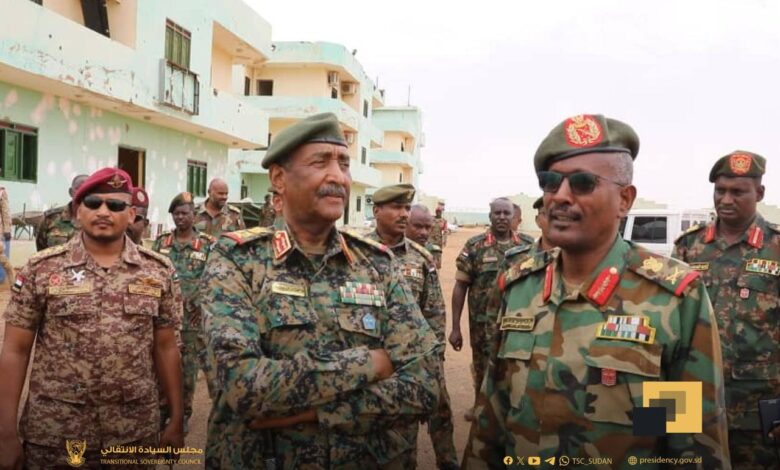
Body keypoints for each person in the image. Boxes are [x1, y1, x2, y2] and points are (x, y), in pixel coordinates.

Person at [463, 114, 729, 468]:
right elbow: (492, 420)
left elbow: (686, 443)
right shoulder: (519, 287)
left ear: (624, 199)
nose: (560, 196)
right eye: (550, 182)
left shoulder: (670, 300)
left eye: (583, 183)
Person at [200, 112, 441, 468]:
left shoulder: (378, 263)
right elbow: (241, 387)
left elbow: (426, 384)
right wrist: (372, 363)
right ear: (279, 178)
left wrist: (317, 414)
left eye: (344, 164)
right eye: (320, 162)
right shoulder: (237, 260)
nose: (338, 176)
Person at [0, 168, 184, 469]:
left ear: (132, 214)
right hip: (56, 434)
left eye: (116, 205)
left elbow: (166, 347)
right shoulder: (41, 269)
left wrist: (176, 419)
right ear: (77, 210)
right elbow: (15, 350)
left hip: (132, 433)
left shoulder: (158, 271)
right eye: (93, 202)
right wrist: (5, 432)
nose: (103, 212)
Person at [674, 150, 780, 469]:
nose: (726, 199)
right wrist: (653, 419)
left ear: (759, 193)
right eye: (720, 190)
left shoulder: (776, 247)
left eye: (738, 191)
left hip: (756, 406)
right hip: (687, 395)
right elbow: (669, 325)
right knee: (671, 459)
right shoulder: (688, 247)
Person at [370, 184, 457, 470]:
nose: (403, 214)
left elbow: (434, 310)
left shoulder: (421, 258)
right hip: (373, 357)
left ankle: (447, 461)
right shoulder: (356, 252)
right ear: (376, 211)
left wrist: (435, 355)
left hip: (414, 356)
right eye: (396, 207)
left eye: (406, 208)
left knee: (437, 408)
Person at [450, 197, 528, 421]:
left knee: (515, 367)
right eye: (497, 213)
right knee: (482, 366)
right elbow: (460, 286)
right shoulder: (475, 246)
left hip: (518, 322)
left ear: (513, 216)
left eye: (506, 213)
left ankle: (510, 413)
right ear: (490, 216)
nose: (502, 217)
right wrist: (455, 327)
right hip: (482, 324)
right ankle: (480, 406)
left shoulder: (528, 246)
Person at [153, 191, 215, 432]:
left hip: (191, 320)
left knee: (187, 370)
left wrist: (201, 303)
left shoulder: (207, 245)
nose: (180, 218)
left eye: (184, 213)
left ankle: (183, 415)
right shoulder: (161, 243)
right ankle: (161, 412)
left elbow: (214, 280)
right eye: (176, 214)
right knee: (161, 366)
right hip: (165, 319)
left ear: (194, 215)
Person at [35, 174, 88, 251]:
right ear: (71, 192)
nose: (83, 192)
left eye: (88, 189)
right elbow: (41, 249)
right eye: (79, 188)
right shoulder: (50, 218)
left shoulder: (97, 219)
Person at [428, 202, 448, 269]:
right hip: (430, 240)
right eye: (437, 211)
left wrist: (445, 240)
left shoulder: (443, 221)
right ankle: (429, 268)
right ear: (435, 212)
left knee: (438, 255)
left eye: (439, 211)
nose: (438, 212)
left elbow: (445, 231)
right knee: (429, 254)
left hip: (438, 241)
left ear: (441, 212)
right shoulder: (431, 219)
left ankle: (437, 269)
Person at [0, 185, 13, 283]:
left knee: (2, 258)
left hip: (0, 231)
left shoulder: (1, 192)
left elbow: (5, 211)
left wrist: (7, 230)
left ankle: (1, 278)